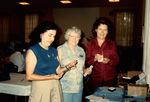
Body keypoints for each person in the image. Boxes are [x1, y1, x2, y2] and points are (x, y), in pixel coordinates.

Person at [25, 21, 77, 102]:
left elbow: (58, 70)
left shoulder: (53, 50)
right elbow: (29, 76)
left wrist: (67, 67)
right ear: (41, 34)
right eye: (50, 35)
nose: (52, 39)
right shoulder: (33, 51)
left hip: (55, 85)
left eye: (54, 36)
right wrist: (51, 77)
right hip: (41, 87)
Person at [57, 26, 92, 102]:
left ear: (80, 38)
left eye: (77, 36)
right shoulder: (60, 49)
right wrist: (67, 67)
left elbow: (82, 68)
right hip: (65, 88)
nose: (74, 39)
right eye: (71, 36)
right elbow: (57, 71)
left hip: (78, 88)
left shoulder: (81, 51)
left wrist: (85, 70)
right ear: (67, 37)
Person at [85, 17, 119, 93]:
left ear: (108, 32)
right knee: (96, 98)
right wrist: (94, 59)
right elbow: (87, 61)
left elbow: (116, 61)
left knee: (108, 98)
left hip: (110, 78)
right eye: (100, 29)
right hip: (95, 78)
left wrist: (109, 60)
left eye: (105, 30)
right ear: (95, 30)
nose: (102, 32)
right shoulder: (90, 44)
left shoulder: (112, 43)